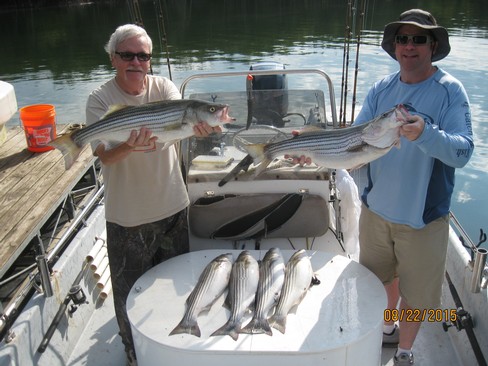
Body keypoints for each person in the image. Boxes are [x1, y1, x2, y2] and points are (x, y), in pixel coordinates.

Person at [85, 24, 219, 366]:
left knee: (175, 285)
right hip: (127, 217)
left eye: (143, 55)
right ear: (113, 58)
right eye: (127, 54)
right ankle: (134, 353)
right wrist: (128, 145)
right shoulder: (100, 99)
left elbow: (179, 127)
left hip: (173, 207)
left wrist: (200, 127)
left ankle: (173, 348)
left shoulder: (164, 88)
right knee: (128, 294)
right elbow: (104, 155)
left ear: (150, 60)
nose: (136, 62)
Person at [353, 9, 474, 366]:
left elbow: (463, 151)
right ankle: (388, 327)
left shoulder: (450, 91)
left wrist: (425, 134)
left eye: (419, 39)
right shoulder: (381, 89)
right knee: (380, 280)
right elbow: (355, 139)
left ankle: (404, 352)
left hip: (422, 220)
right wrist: (311, 151)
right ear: (395, 46)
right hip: (374, 213)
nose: (409, 46)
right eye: (403, 39)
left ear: (432, 46)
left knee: (416, 296)